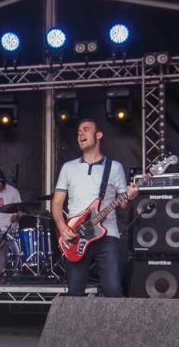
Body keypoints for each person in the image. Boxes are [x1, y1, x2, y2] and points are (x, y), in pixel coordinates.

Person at [52, 119, 139, 296]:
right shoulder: (68, 168)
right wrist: (62, 227)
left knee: (113, 289)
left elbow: (124, 205)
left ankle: (115, 324)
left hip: (108, 236)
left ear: (98, 135)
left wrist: (130, 197)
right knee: (75, 292)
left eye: (86, 130)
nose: (80, 134)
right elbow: (56, 203)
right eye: (78, 131)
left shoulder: (114, 167)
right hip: (76, 236)